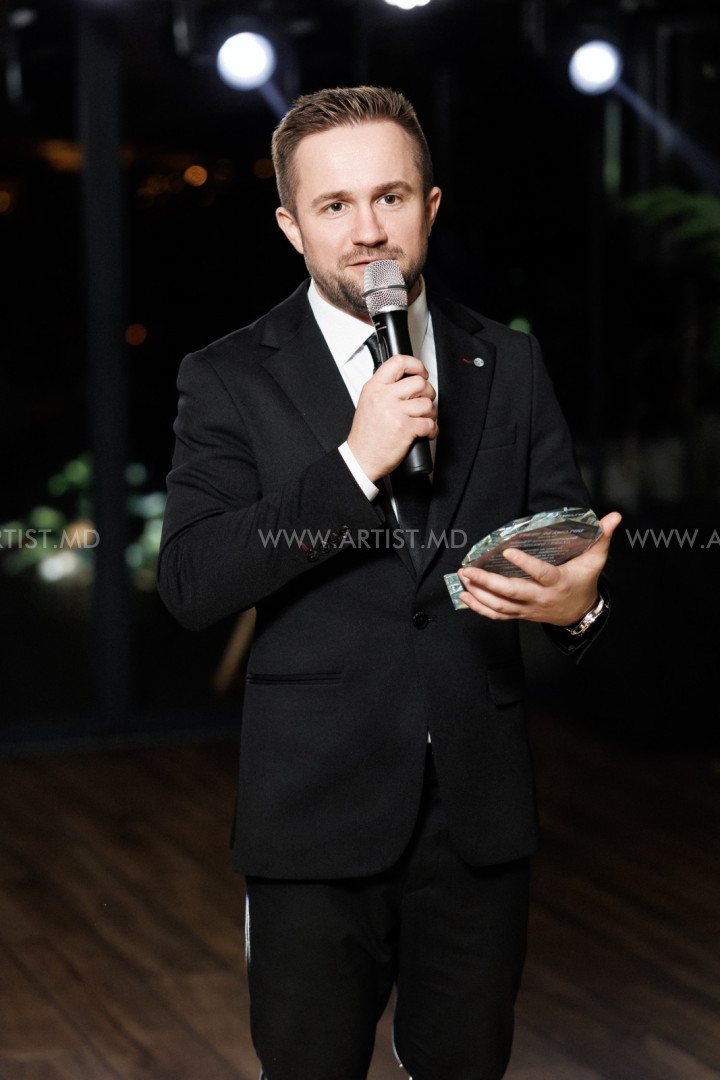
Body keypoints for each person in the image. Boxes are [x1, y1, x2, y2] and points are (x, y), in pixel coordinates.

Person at [157, 85, 621, 1080]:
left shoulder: (510, 361)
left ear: (431, 207)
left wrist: (577, 608)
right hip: (313, 818)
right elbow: (191, 581)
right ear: (292, 226)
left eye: (390, 197)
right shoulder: (228, 376)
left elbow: (562, 550)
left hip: (479, 817)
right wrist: (353, 466)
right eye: (334, 205)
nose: (368, 229)